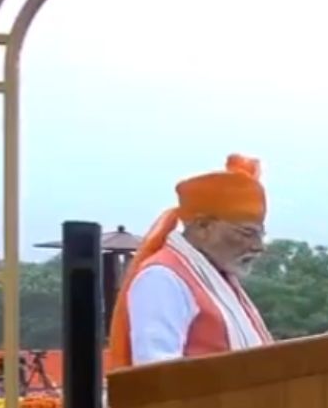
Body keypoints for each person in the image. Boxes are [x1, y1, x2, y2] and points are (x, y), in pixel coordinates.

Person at [108, 154, 273, 370]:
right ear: (203, 226)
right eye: (247, 233)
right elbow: (158, 374)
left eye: (260, 235)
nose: (258, 246)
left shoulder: (219, 275)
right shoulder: (162, 277)